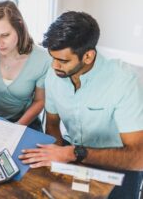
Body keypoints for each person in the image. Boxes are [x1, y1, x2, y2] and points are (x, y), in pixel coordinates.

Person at [18, 11, 143, 198]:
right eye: (53, 58)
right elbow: (52, 124)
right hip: (72, 154)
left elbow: (138, 158)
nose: (54, 66)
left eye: (63, 60)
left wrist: (74, 154)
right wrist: (57, 165)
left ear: (88, 56)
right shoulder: (54, 76)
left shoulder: (124, 81)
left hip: (119, 162)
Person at [0, 0, 51, 131]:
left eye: (5, 35)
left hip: (25, 122)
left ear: (19, 27)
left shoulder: (43, 59)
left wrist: (17, 127)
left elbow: (39, 101)